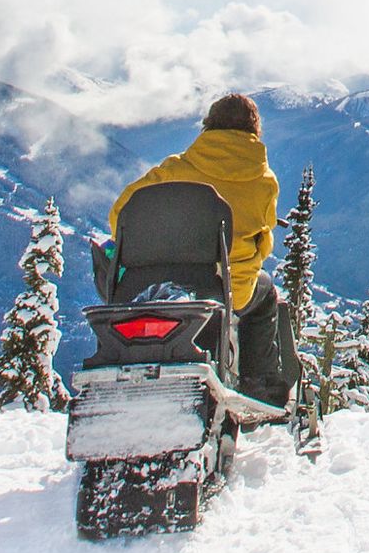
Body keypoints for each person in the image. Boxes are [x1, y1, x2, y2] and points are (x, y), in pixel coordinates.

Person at [114, 93, 293, 406]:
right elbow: (263, 241)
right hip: (224, 287)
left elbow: (121, 214)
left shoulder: (174, 168)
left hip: (157, 283)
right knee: (266, 297)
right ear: (254, 131)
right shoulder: (265, 181)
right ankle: (259, 385)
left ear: (208, 126)